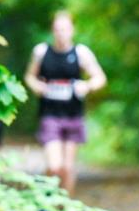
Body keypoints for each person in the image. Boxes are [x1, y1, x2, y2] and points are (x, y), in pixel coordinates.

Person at [24, 11, 106, 196]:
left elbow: (100, 78)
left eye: (65, 29)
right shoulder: (41, 52)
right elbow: (29, 76)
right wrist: (37, 86)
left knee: (67, 167)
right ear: (52, 31)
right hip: (50, 114)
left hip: (74, 115)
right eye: (57, 29)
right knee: (55, 166)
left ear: (72, 30)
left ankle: (65, 210)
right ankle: (46, 196)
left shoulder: (81, 53)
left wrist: (87, 86)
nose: (61, 33)